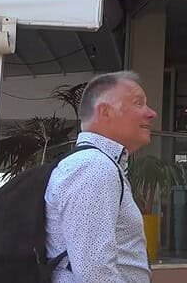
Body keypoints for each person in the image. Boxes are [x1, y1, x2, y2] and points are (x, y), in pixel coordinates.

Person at [45, 71, 157, 283]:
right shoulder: (94, 167)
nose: (151, 113)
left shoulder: (99, 165)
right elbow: (94, 274)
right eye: (138, 103)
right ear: (105, 111)